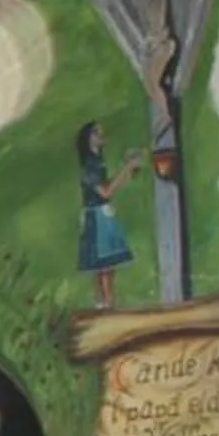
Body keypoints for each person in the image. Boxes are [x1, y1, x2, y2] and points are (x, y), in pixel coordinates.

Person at [75, 119, 145, 309]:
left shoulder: (98, 162)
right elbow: (105, 191)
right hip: (96, 215)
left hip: (102, 213)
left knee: (108, 264)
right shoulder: (89, 166)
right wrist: (127, 167)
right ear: (87, 139)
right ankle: (106, 303)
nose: (101, 136)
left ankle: (106, 302)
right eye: (96, 133)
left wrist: (128, 171)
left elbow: (111, 187)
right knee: (103, 264)